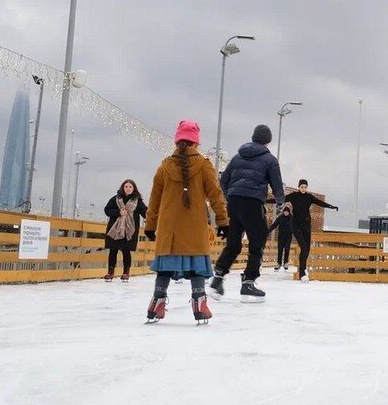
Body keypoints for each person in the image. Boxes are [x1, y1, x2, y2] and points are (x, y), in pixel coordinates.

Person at [143, 120, 229, 324]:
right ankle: (199, 304)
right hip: (194, 227)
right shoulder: (204, 164)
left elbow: (154, 199)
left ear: (177, 141)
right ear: (196, 143)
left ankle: (156, 303)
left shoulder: (165, 166)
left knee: (164, 268)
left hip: (169, 229)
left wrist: (150, 225)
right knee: (197, 267)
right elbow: (215, 195)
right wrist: (222, 221)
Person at [210, 125, 285, 302]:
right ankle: (248, 283)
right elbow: (277, 184)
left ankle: (217, 280)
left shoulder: (237, 157)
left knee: (233, 243)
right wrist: (280, 202)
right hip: (253, 202)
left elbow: (223, 179)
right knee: (257, 241)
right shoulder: (270, 159)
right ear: (268, 140)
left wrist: (230, 195)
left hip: (234, 202)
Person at [285, 180, 339, 282]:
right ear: (298, 187)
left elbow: (320, 202)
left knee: (307, 248)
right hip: (296, 225)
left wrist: (331, 206)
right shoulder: (293, 196)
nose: (303, 189)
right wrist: (264, 200)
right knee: (304, 247)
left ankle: (304, 268)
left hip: (306, 225)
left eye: (305, 187)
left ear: (307, 187)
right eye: (302, 187)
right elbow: (281, 199)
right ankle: (302, 273)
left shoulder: (309, 197)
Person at [103, 179, 147, 282]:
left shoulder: (138, 201)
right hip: (115, 229)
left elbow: (144, 211)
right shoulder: (115, 199)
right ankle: (110, 272)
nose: (128, 188)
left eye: (130, 187)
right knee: (113, 250)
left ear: (134, 188)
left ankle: (126, 272)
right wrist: (119, 212)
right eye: (126, 186)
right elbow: (107, 210)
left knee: (126, 251)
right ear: (123, 187)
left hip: (129, 229)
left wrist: (150, 217)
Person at [268, 202, 294, 271]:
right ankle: (279, 263)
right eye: (285, 212)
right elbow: (274, 225)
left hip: (288, 236)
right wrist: (268, 230)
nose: (286, 213)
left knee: (287, 249)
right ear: (283, 212)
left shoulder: (292, 218)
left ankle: (285, 262)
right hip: (281, 236)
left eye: (287, 212)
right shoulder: (280, 217)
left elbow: (296, 226)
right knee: (280, 250)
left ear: (289, 212)